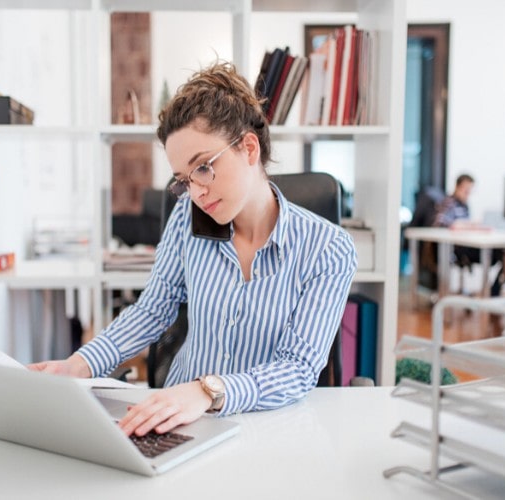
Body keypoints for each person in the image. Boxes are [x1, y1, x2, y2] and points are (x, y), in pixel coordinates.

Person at [29, 62, 357, 437]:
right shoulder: (187, 216)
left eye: (203, 167)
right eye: (184, 180)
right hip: (180, 422)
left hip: (268, 428)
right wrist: (81, 364)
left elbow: (298, 368)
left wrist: (208, 391)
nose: (196, 192)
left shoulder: (329, 249)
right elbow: (154, 310)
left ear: (249, 148)